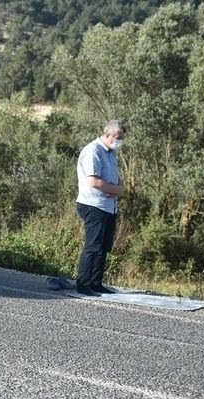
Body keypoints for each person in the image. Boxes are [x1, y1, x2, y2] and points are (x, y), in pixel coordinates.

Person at [75, 119, 126, 296]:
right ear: (107, 134)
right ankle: (83, 283)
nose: (119, 141)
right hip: (93, 204)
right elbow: (94, 181)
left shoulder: (111, 153)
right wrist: (117, 189)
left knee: (104, 246)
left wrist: (117, 188)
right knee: (93, 246)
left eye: (121, 138)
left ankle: (96, 283)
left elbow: (115, 178)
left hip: (108, 206)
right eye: (117, 137)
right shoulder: (93, 151)